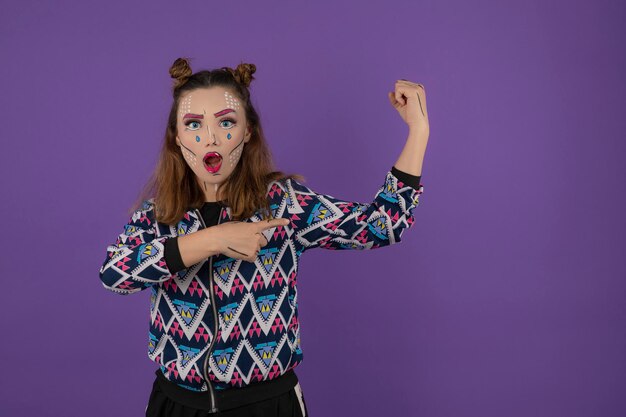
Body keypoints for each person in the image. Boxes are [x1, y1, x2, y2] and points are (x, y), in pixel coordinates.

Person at [98, 57, 429, 417]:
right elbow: (114, 274)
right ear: (176, 138)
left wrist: (419, 132)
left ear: (248, 131)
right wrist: (215, 239)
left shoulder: (284, 204)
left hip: (265, 406)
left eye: (226, 122)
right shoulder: (158, 215)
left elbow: (384, 224)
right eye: (193, 124)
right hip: (176, 405)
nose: (209, 137)